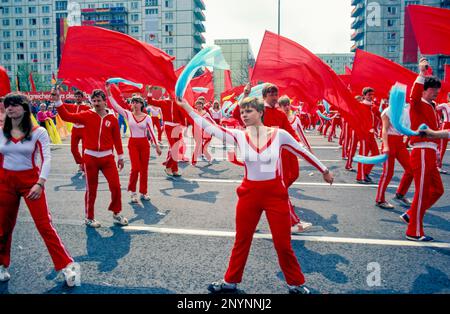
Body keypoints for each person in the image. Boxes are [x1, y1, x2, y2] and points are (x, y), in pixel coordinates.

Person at [177, 96, 333, 294]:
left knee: (283, 243)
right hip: (249, 194)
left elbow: (301, 151)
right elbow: (209, 127)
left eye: (249, 111)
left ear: (260, 112)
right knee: (242, 239)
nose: (244, 115)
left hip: (276, 194)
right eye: (242, 112)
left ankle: (295, 283)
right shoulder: (239, 135)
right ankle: (230, 281)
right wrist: (187, 107)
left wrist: (324, 170)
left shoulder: (280, 134)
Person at [0, 93, 78, 286]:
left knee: (44, 226)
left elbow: (47, 158)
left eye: (14, 105)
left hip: (31, 183)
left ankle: (67, 266)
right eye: (7, 105)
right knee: (3, 228)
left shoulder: (38, 132)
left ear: (25, 108)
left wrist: (40, 182)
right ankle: (2, 264)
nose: (10, 109)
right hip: (5, 183)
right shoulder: (1, 131)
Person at [53, 88, 128, 228]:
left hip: (108, 158)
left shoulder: (112, 118)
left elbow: (117, 139)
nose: (96, 103)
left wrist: (121, 156)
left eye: (99, 100)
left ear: (105, 102)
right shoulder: (86, 115)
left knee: (116, 186)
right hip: (91, 158)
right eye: (94, 101)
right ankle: (89, 217)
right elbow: (66, 116)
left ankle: (116, 213)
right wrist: (57, 100)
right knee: (91, 189)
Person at [401, 58, 444, 241]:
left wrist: (437, 154)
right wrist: (421, 73)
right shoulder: (417, 104)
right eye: (433, 90)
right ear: (426, 89)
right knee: (422, 191)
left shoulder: (431, 107)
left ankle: (411, 214)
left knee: (438, 190)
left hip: (429, 152)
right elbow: (413, 96)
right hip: (421, 151)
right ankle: (414, 231)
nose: (436, 93)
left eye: (437, 90)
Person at [106, 83, 162, 203]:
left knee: (144, 169)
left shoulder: (147, 117)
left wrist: (156, 146)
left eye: (137, 102)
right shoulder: (128, 114)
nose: (135, 104)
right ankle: (132, 192)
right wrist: (109, 93)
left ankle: (143, 192)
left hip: (144, 144)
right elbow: (116, 106)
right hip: (133, 143)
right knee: (135, 168)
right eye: (133, 102)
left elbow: (152, 132)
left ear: (142, 104)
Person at [375, 104, 413, 209]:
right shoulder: (388, 111)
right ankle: (379, 199)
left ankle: (400, 194)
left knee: (411, 169)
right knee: (388, 173)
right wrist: (386, 146)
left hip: (400, 143)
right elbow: (385, 130)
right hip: (390, 142)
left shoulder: (405, 110)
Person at [146, 86, 187, 177]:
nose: (172, 94)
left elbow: (182, 115)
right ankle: (168, 167)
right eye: (170, 92)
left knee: (176, 150)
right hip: (168, 127)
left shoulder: (178, 103)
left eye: (173, 92)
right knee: (173, 148)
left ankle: (174, 169)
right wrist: (149, 91)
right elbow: (150, 102)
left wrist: (184, 126)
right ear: (167, 93)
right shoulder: (163, 102)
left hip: (177, 128)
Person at [63, 90, 91, 174]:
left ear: (82, 97)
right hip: (75, 129)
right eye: (76, 96)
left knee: (84, 149)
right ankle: (81, 162)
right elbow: (60, 105)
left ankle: (84, 166)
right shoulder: (71, 106)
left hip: (84, 129)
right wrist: (54, 96)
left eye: (79, 96)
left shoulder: (87, 107)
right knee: (73, 149)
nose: (78, 98)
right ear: (74, 97)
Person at [356, 87, 380, 184]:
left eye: (372, 95)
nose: (371, 97)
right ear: (364, 95)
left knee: (376, 154)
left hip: (371, 135)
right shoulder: (360, 106)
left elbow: (381, 116)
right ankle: (360, 176)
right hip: (364, 134)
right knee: (363, 155)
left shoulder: (373, 107)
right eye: (369, 95)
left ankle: (365, 172)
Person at [191, 97, 214, 166]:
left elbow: (212, 121)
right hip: (195, 130)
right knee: (199, 145)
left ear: (202, 105)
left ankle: (195, 161)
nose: (199, 106)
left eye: (200, 104)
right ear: (195, 106)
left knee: (200, 146)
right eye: (197, 104)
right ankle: (208, 158)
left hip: (204, 131)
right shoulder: (193, 112)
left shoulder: (206, 113)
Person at [436, 92, 450, 174]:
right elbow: (435, 108)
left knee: (441, 147)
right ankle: (437, 166)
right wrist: (439, 119)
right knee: (442, 147)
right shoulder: (444, 105)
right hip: (445, 126)